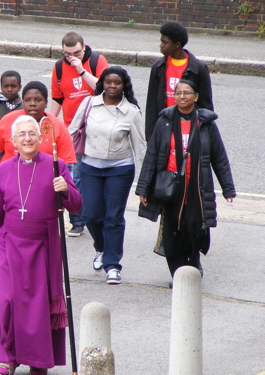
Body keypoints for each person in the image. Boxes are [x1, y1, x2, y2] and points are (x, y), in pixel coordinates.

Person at [0, 115, 82, 375]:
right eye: (22, 135)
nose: (27, 138)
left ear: (40, 138)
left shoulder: (55, 166)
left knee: (37, 307)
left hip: (43, 246)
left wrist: (65, 190)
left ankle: (38, 359)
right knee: (5, 302)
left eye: (32, 133)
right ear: (13, 142)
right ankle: (8, 357)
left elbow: (76, 204)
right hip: (8, 244)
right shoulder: (3, 169)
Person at [136, 80, 235, 286]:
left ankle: (193, 263)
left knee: (194, 229)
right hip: (170, 188)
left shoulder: (206, 124)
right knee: (173, 232)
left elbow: (219, 158)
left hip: (196, 188)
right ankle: (179, 275)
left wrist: (228, 188)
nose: (181, 96)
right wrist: (143, 187)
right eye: (177, 93)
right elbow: (152, 157)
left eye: (187, 93)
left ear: (196, 97)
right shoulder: (164, 121)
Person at [69, 66, 146, 284]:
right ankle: (101, 248)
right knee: (92, 215)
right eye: (108, 82)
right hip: (90, 167)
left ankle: (113, 265)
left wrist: (144, 182)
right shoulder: (88, 104)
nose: (112, 86)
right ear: (102, 83)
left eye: (117, 83)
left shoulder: (131, 111)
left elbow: (140, 147)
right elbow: (71, 132)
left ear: (124, 86)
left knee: (113, 217)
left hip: (120, 169)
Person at [50, 31, 109, 238]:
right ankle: (77, 221)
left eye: (76, 52)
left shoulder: (97, 61)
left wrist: (81, 70)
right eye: (67, 54)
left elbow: (104, 90)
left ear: (84, 47)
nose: (72, 57)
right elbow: (58, 98)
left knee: (91, 176)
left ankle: (95, 215)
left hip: (97, 129)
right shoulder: (58, 67)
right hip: (71, 131)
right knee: (73, 176)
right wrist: (49, 123)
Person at [0, 81, 76, 196]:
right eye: (27, 100)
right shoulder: (7, 121)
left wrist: (64, 192)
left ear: (46, 103)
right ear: (22, 102)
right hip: (7, 187)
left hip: (42, 192)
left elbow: (67, 167)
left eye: (38, 100)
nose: (32, 104)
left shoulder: (57, 127)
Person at [145, 21, 214, 142]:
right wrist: (150, 137)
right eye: (161, 41)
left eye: (165, 42)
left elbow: (206, 104)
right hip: (165, 125)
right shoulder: (158, 67)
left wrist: (205, 134)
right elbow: (152, 104)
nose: (161, 45)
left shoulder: (198, 69)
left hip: (189, 127)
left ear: (177, 44)